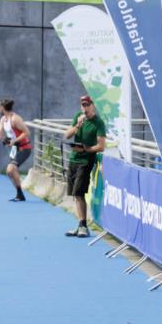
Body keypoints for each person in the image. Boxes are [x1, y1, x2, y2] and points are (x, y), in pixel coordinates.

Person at [62, 95, 106, 238]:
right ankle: (80, 225)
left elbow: (101, 146)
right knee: (75, 194)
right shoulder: (78, 117)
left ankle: (83, 226)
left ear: (93, 105)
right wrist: (77, 126)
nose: (84, 107)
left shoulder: (98, 123)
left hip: (86, 161)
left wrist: (87, 149)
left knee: (79, 193)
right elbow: (67, 135)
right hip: (74, 159)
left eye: (87, 105)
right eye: (83, 105)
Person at [0, 98, 32, 202]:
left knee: (11, 169)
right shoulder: (3, 119)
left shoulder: (15, 119)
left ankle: (20, 194)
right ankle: (20, 194)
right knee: (9, 172)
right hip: (15, 149)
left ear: (2, 108)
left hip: (24, 148)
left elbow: (27, 132)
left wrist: (14, 140)